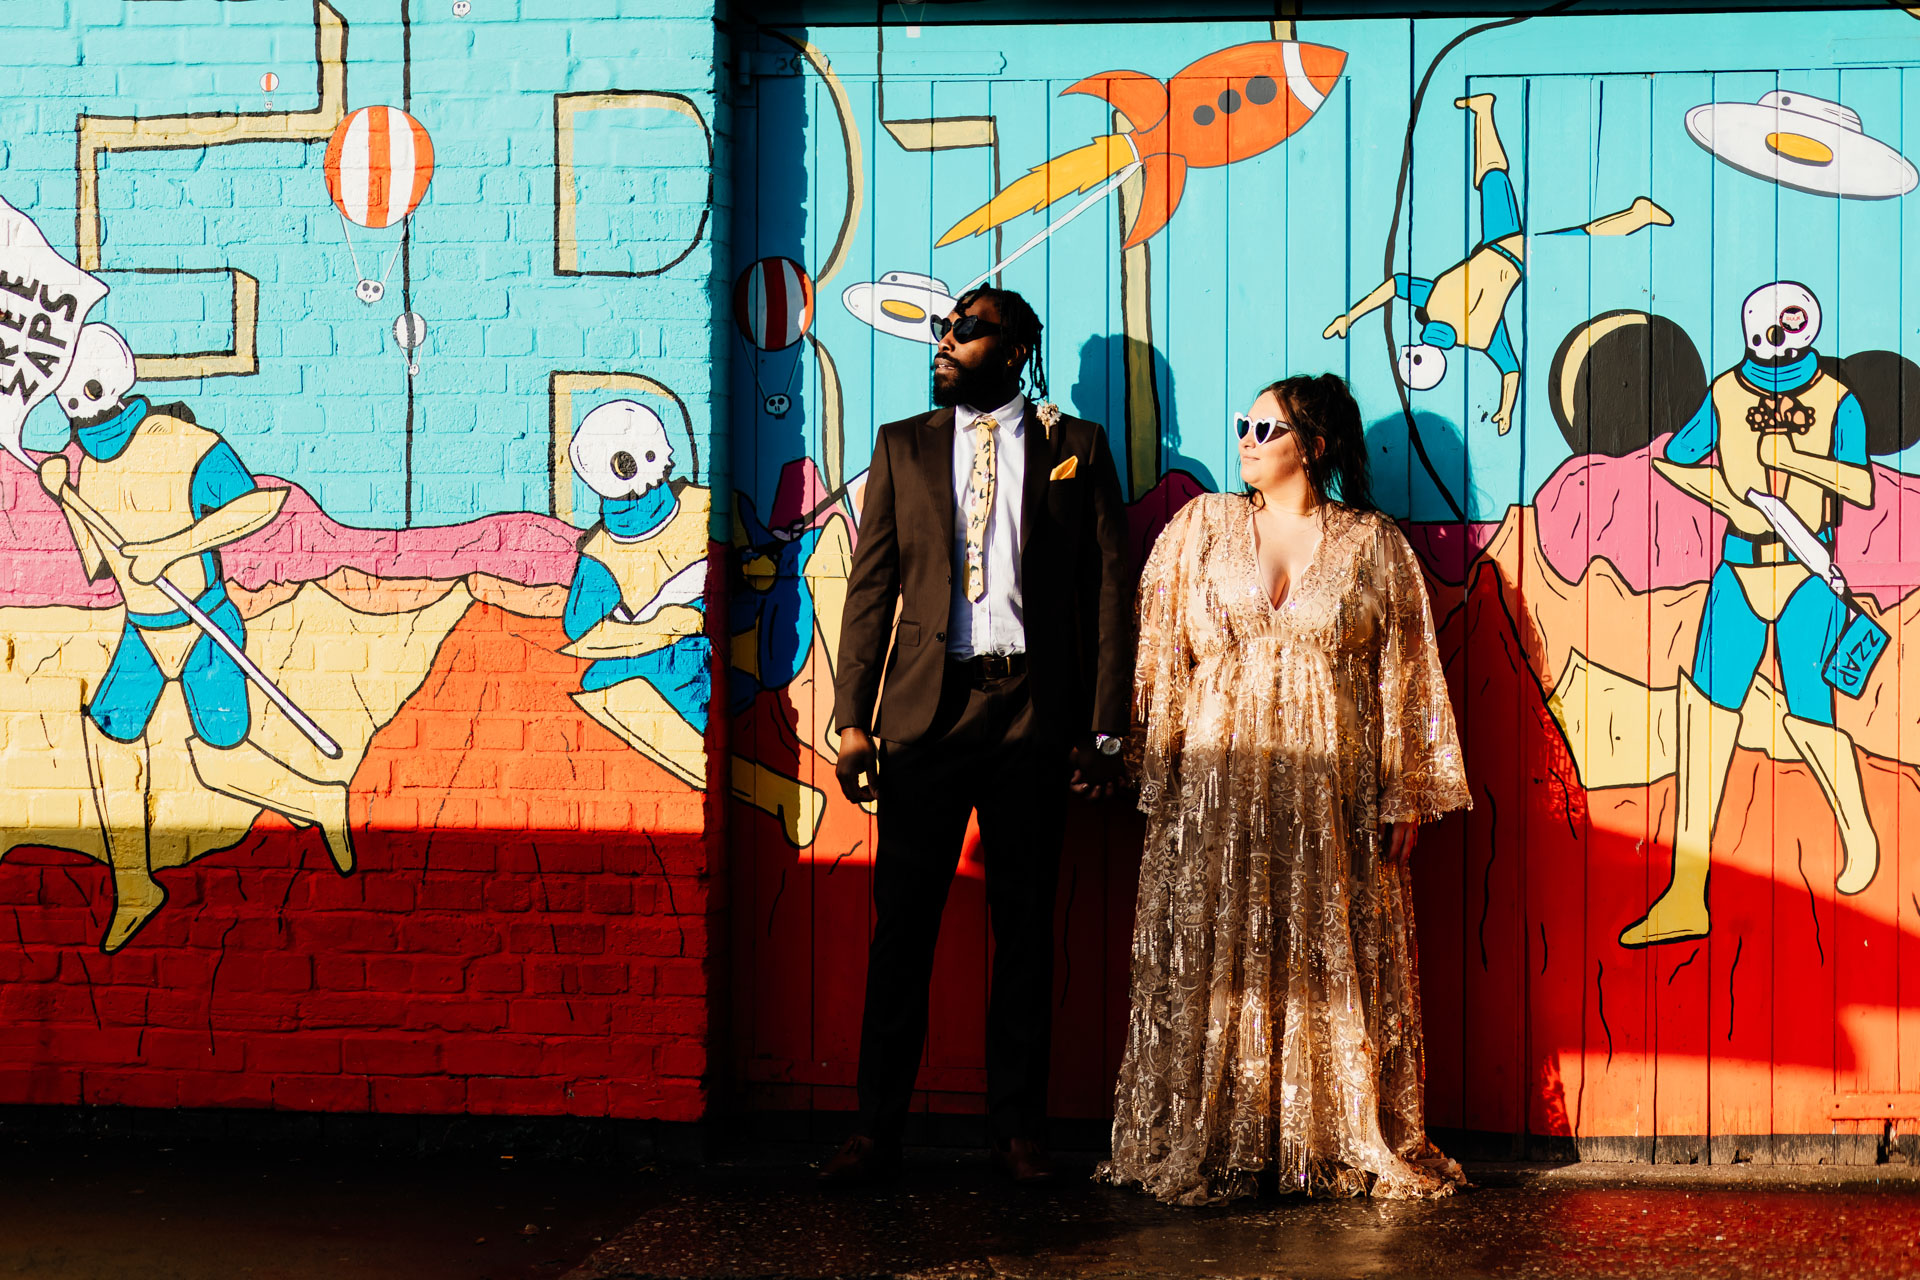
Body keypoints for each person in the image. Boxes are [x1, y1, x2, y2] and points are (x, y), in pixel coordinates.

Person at [1101, 373, 1470, 1205]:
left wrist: (1407, 789)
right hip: (1216, 793)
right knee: (1216, 951)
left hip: (1329, 797)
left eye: (1266, 428)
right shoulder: (1201, 526)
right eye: (1244, 422)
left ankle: (1320, 1139)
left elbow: (1407, 669)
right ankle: (1219, 1139)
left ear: (1315, 445)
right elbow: (1157, 651)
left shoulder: (1372, 544)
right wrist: (1154, 771)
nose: (1246, 438)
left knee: (1319, 947)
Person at [823, 285, 1132, 1185]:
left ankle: (1018, 1132)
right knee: (902, 931)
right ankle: (874, 1131)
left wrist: (1105, 730)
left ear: (1017, 348)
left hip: (1034, 712)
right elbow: (871, 588)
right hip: (926, 716)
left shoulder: (1078, 449)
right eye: (943, 328)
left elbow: (1108, 593)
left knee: (1025, 932)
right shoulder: (903, 446)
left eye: (966, 329)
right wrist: (852, 721)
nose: (946, 340)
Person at [1323, 94, 1671, 433]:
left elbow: (1395, 286)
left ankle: (1483, 110)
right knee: (1566, 225)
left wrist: (1349, 317)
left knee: (1496, 180)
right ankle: (1637, 215)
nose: (1429, 343)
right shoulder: (1477, 333)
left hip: (1501, 243)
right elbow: (1510, 369)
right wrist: (1505, 410)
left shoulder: (1443, 308)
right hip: (1520, 254)